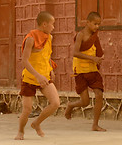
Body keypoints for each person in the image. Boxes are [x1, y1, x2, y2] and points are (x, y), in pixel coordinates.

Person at [15, 11, 60, 140]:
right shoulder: (31, 38)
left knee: (55, 103)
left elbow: (47, 55)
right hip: (30, 77)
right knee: (27, 109)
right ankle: (20, 131)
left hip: (45, 75)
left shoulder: (49, 37)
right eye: (52, 24)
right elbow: (24, 61)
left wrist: (51, 69)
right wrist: (38, 76)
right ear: (44, 24)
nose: (53, 27)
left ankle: (36, 123)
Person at [64, 11, 106, 131]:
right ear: (87, 22)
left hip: (92, 70)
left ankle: (95, 125)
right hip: (81, 71)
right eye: (95, 24)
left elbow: (98, 51)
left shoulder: (95, 36)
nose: (97, 27)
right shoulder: (80, 35)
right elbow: (75, 53)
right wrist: (93, 58)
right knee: (85, 102)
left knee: (99, 94)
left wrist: (99, 58)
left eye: (99, 24)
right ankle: (71, 105)